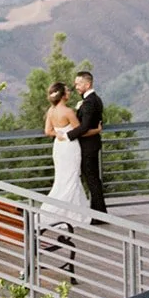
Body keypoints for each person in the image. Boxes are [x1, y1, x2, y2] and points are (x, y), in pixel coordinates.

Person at [39, 82, 92, 240]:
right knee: (72, 178)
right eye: (67, 91)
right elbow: (79, 130)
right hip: (70, 147)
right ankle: (72, 213)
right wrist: (96, 129)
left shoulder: (51, 111)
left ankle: (59, 211)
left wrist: (58, 134)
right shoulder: (68, 111)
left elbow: (47, 131)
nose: (69, 92)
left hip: (59, 147)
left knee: (62, 179)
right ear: (63, 95)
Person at [64, 69, 107, 213]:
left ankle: (99, 213)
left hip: (89, 146)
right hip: (92, 144)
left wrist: (67, 135)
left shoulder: (89, 102)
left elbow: (84, 127)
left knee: (92, 179)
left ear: (87, 84)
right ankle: (99, 211)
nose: (76, 87)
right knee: (92, 178)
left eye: (78, 84)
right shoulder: (95, 99)